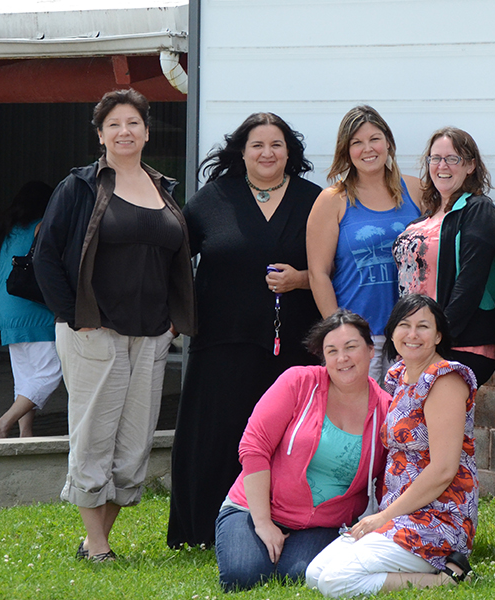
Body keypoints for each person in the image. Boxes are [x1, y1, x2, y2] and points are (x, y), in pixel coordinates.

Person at [33, 88, 196, 562]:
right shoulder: (81, 186)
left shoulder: (163, 189)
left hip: (151, 335)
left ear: (146, 131)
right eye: (114, 125)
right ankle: (100, 545)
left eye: (133, 123)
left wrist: (171, 322)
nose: (124, 132)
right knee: (95, 435)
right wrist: (74, 317)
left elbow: (172, 260)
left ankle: (93, 539)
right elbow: (46, 257)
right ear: (100, 134)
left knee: (134, 443)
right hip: (94, 332)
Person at [168, 112, 326, 548]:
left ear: (289, 151)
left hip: (294, 346)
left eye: (276, 144)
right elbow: (172, 260)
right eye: (257, 145)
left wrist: (301, 279)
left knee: (284, 440)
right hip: (220, 342)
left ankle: (287, 525)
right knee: (215, 436)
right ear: (241, 151)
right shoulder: (211, 200)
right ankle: (201, 530)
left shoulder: (316, 200)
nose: (267, 153)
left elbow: (337, 269)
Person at [306, 294, 477, 597]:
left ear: (438, 335)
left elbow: (443, 469)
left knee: (335, 581)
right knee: (315, 574)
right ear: (392, 332)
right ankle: (409, 571)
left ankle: (445, 579)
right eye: (404, 325)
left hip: (437, 520)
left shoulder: (444, 379)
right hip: (399, 514)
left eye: (423, 326)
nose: (412, 335)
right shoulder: (398, 375)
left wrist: (383, 517)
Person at [214, 309, 390, 592]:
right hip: (256, 507)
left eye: (351, 347)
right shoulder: (298, 382)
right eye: (331, 351)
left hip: (322, 523)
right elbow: (254, 446)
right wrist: (262, 522)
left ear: (371, 351)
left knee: (296, 577)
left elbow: (387, 481)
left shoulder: (387, 411)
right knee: (243, 576)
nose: (342, 358)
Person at [308, 105, 422, 381]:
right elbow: (318, 273)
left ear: (388, 143)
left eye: (374, 139)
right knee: (361, 419)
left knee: (405, 420)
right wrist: (339, 330)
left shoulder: (417, 190)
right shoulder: (332, 200)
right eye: (357, 143)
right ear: (346, 151)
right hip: (359, 334)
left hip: (411, 333)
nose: (367, 149)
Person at [392, 127, 495, 384]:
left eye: (453, 158)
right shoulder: (424, 218)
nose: (442, 165)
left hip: (459, 346)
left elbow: (470, 283)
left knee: (441, 423)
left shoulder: (478, 211)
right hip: (419, 343)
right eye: (435, 158)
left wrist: (439, 339)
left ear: (471, 166)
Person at [0, 181, 62, 439]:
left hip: (7, 314)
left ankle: (25, 436)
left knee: (25, 379)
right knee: (51, 372)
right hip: (36, 312)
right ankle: (2, 424)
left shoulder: (4, 234)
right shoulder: (43, 227)